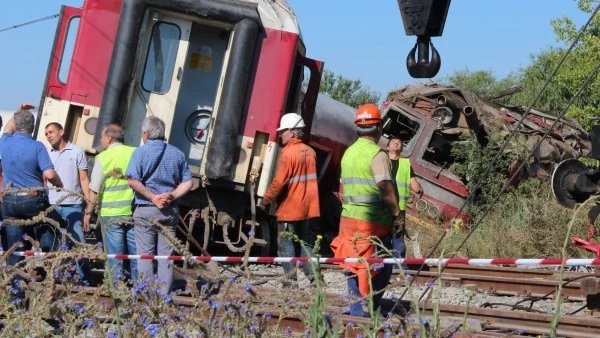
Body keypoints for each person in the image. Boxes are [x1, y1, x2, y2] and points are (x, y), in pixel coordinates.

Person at [330, 103, 404, 317]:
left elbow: (342, 189)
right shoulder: (377, 155)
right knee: (381, 266)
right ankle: (368, 307)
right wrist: (397, 215)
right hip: (373, 222)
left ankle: (356, 308)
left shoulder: (349, 153)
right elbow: (385, 189)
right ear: (379, 128)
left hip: (348, 220)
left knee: (353, 264)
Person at [126, 116, 193, 295]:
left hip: (146, 209)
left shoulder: (140, 153)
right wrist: (171, 196)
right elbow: (188, 183)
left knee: (145, 256)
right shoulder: (177, 154)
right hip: (169, 212)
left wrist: (153, 197)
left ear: (146, 134)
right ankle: (163, 296)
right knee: (166, 257)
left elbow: (132, 180)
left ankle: (147, 296)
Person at [258, 113, 320, 286]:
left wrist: (266, 200)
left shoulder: (288, 153)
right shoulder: (311, 152)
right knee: (306, 244)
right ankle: (316, 280)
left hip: (291, 208)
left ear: (292, 133)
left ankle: (291, 281)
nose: (280, 135)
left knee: (286, 244)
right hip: (310, 208)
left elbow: (279, 182)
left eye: (283, 131)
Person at [0, 109, 66, 263]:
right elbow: (49, 174)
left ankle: (13, 282)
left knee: (14, 247)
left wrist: (20, 110)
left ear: (16, 126)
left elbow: (7, 129)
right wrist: (59, 183)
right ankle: (50, 262)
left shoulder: (4, 142)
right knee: (51, 225)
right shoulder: (37, 146)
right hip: (33, 201)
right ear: (33, 127)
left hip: (9, 201)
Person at [84, 124, 138, 282]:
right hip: (132, 212)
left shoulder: (103, 157)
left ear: (109, 138)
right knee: (136, 255)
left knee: (115, 257)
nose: (100, 141)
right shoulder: (134, 152)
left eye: (101, 137)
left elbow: (94, 189)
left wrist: (88, 213)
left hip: (111, 214)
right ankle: (140, 289)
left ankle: (117, 291)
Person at [45, 122, 91, 283]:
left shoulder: (77, 151)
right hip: (52, 206)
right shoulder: (47, 153)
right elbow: (44, 180)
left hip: (73, 205)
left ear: (61, 132)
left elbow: (84, 179)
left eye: (51, 132)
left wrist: (88, 205)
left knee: (78, 243)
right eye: (46, 134)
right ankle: (57, 280)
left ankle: (86, 280)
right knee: (55, 245)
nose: (49, 136)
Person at [386, 137, 422, 268]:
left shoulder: (406, 164)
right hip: (381, 207)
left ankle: (398, 267)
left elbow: (414, 183)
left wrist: (418, 188)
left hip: (398, 209)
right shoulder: (381, 161)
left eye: (399, 142)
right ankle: (380, 264)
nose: (397, 143)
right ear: (387, 147)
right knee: (380, 236)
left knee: (398, 237)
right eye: (393, 142)